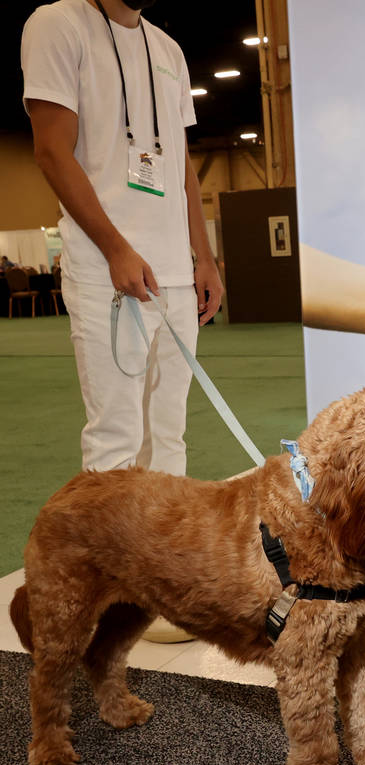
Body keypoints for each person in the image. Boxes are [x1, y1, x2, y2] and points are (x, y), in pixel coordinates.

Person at [22, 0, 224, 643]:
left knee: (169, 436)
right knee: (115, 441)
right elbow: (52, 151)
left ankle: (163, 589)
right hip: (106, 269)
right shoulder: (57, 24)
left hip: (171, 272)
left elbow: (181, 166)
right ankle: (104, 599)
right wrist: (114, 247)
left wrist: (204, 257)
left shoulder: (167, 47)